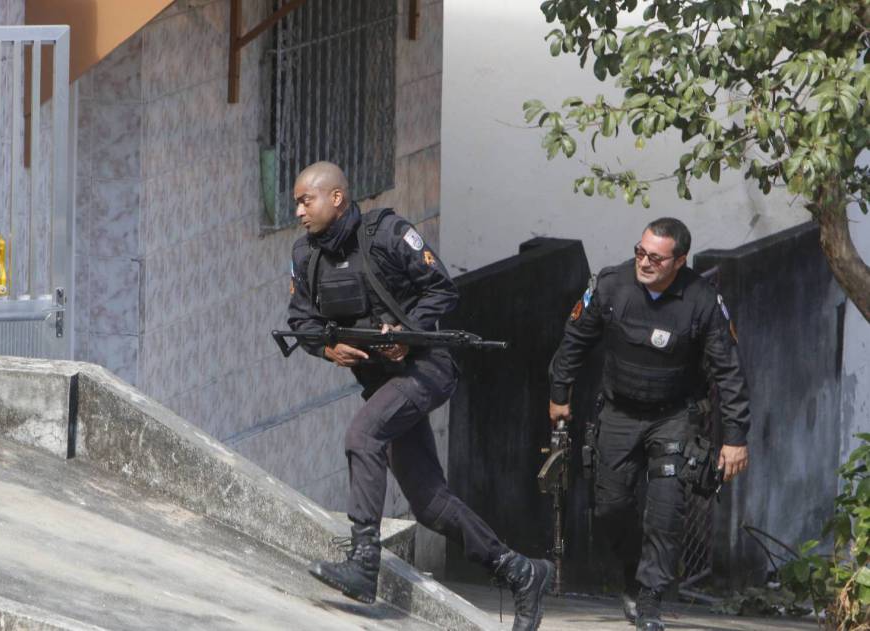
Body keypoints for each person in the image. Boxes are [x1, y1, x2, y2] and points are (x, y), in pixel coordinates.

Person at [286, 161, 552, 631]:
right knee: (429, 504)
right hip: (382, 382)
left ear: (336, 198)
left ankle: (364, 560)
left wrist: (406, 332)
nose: (299, 211)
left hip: (426, 369)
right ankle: (520, 571)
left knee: (362, 435)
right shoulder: (305, 256)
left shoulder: (387, 234)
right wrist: (328, 347)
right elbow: (301, 321)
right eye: (295, 203)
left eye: (306, 201)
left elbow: (441, 290)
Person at [547, 218, 752, 631]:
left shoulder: (703, 301)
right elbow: (574, 341)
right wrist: (559, 394)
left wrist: (736, 438)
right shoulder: (610, 286)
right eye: (640, 252)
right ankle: (630, 576)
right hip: (620, 413)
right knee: (610, 508)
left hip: (674, 418)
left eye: (655, 257)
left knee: (665, 511)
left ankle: (651, 601)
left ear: (679, 260)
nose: (644, 262)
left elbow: (729, 372)